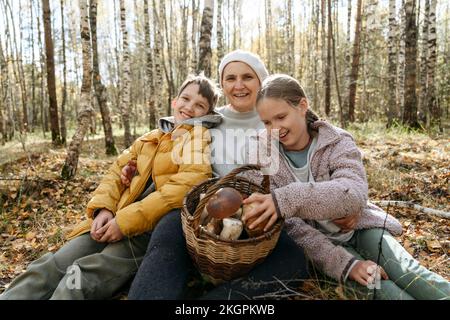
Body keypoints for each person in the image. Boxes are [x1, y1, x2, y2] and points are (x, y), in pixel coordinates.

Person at [127, 50, 355, 300]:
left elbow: (319, 160)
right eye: (230, 78)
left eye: (247, 77)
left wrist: (350, 204)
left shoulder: (278, 119)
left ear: (262, 81)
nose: (239, 85)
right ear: (222, 85)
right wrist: (136, 167)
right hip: (203, 207)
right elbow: (170, 129)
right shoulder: (209, 119)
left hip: (263, 212)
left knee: (293, 261)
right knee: (168, 236)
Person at [0, 74, 222, 300]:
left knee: (80, 277)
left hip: (144, 232)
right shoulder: (150, 138)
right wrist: (103, 209)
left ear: (208, 113)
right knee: (51, 266)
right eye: (185, 99)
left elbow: (189, 182)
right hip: (114, 217)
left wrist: (124, 222)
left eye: (199, 105)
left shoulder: (197, 136)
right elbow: (116, 172)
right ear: (174, 101)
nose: (189, 107)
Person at [241, 74, 450, 300]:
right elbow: (291, 229)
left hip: (360, 227)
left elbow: (353, 192)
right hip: (325, 249)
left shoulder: (336, 140)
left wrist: (284, 200)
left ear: (302, 106)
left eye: (281, 117)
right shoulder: (260, 152)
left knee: (409, 272)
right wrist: (347, 265)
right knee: (383, 290)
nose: (275, 129)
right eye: (267, 122)